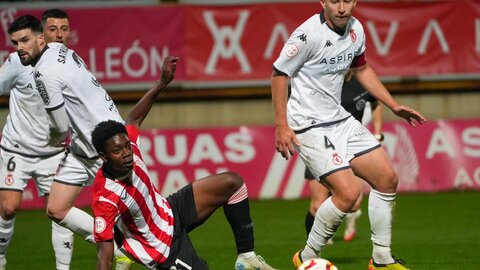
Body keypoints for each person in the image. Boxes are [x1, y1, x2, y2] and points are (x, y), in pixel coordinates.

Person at [270, 1, 426, 269]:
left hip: (339, 118)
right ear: (322, 2)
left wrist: (393, 105)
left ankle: (381, 259)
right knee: (349, 193)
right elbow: (279, 74)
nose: (341, 7)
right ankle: (307, 257)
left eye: (347, 0)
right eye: (334, 1)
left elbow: (362, 68)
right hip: (309, 125)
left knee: (387, 179)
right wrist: (281, 124)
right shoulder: (307, 34)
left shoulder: (357, 29)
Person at [91, 56, 277, 270]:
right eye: (117, 151)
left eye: (126, 146)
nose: (126, 153)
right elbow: (104, 257)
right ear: (103, 157)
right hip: (162, 249)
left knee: (232, 183)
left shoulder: (129, 143)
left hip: (171, 210)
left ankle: (246, 257)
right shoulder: (106, 196)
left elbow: (133, 118)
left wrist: (162, 82)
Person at [7, 14, 132, 269]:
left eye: (25, 41)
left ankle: (169, 256)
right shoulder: (59, 50)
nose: (20, 48)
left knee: (142, 222)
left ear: (40, 39)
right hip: (81, 149)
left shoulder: (42, 72)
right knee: (56, 207)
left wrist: (52, 139)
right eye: (15, 43)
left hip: (106, 148)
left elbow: (60, 127)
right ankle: (117, 247)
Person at [0, 9, 74, 270]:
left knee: (60, 214)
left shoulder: (69, 63)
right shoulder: (16, 62)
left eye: (64, 29)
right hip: (16, 149)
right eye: (54, 29)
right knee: (8, 208)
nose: (60, 35)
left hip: (52, 153)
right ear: (43, 35)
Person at [304, 70, 384, 243]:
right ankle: (312, 252)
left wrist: (378, 132)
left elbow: (376, 103)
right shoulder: (324, 83)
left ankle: (334, 227)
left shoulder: (362, 82)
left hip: (350, 148)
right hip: (322, 146)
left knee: (354, 203)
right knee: (318, 204)